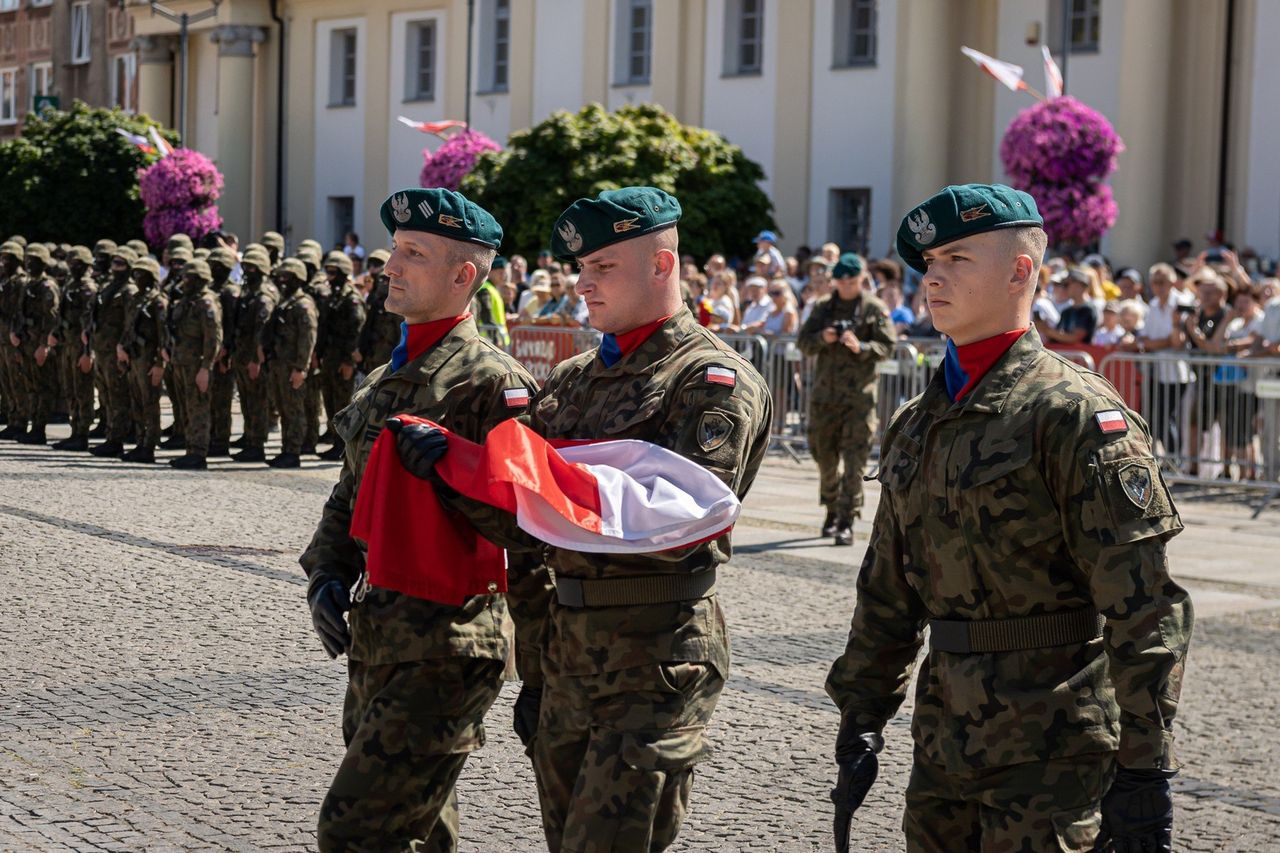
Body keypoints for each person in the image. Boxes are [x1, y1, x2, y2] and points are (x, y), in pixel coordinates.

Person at [393, 187, 772, 851]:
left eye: (603, 267)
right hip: (568, 652)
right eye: (580, 268)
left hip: (654, 652)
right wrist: (453, 470)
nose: (582, 284)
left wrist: (533, 483)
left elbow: (679, 522)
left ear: (661, 265)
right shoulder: (571, 379)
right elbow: (526, 521)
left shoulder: (709, 380)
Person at [826, 183, 1193, 853]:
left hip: (1053, 750)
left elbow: (1145, 607)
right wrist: (863, 710)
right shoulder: (917, 422)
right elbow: (886, 590)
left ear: (1021, 270)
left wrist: (1145, 766)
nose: (933, 277)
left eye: (958, 258)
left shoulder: (1075, 415)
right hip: (943, 745)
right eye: (930, 261)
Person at [300, 188, 539, 851]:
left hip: (450, 642)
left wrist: (543, 672)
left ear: (463, 275)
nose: (391, 266)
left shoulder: (494, 384)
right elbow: (350, 491)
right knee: (420, 830)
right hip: (380, 628)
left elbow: (529, 528)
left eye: (413, 253)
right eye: (394, 250)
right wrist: (327, 571)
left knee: (356, 831)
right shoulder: (386, 376)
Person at [796, 252, 894, 545]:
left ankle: (846, 520)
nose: (847, 286)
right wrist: (822, 338)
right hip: (824, 398)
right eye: (842, 282)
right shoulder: (823, 307)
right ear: (835, 281)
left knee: (855, 463)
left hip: (858, 400)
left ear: (861, 279)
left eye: (852, 281)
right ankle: (831, 506)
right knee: (824, 458)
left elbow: (887, 346)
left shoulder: (873, 308)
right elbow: (803, 342)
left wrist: (861, 346)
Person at [167, 259, 222, 470]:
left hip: (197, 364)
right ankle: (190, 449)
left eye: (189, 277)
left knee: (198, 408)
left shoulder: (206, 303)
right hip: (181, 362)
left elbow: (213, 338)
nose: (185, 281)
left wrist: (206, 368)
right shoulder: (186, 300)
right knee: (186, 408)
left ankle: (198, 453)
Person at [264, 259, 319, 469]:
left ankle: (293, 451)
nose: (283, 280)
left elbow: (307, 339)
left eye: (287, 277)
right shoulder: (285, 302)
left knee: (294, 410)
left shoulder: (303, 305)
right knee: (283, 408)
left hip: (293, 366)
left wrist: (300, 368)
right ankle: (286, 448)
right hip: (279, 364)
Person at [230, 249, 280, 463]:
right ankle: (249, 437)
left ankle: (256, 444)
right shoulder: (248, 293)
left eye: (251, 268)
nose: (247, 271)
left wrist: (256, 360)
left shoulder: (263, 297)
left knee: (257, 401)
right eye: (245, 267)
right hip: (242, 355)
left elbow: (262, 332)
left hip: (254, 358)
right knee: (247, 400)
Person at [118, 257, 168, 463]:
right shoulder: (135, 299)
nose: (138, 277)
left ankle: (149, 446)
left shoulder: (158, 301)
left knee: (150, 404)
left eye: (142, 274)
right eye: (136, 273)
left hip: (149, 359)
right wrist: (121, 347)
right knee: (137, 403)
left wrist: (159, 364)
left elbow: (163, 336)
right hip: (134, 357)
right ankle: (140, 442)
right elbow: (128, 326)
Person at [317, 251, 367, 461]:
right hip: (330, 358)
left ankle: (343, 446)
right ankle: (336, 442)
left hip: (343, 360)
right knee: (330, 401)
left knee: (342, 403)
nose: (329, 276)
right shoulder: (334, 296)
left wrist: (348, 361)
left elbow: (356, 331)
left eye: (333, 272)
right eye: (328, 272)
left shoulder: (351, 298)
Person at [49, 246, 97, 451]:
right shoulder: (70, 286)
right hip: (67, 345)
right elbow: (61, 314)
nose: (73, 267)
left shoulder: (89, 289)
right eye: (71, 263)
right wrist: (55, 333)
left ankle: (82, 433)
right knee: (70, 390)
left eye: (78, 264)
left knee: (83, 390)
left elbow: (91, 323)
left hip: (80, 347)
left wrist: (88, 352)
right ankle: (75, 430)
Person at [206, 247, 241, 457]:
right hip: (211, 351)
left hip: (224, 352)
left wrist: (226, 351)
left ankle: (221, 440)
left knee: (222, 399)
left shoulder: (231, 292)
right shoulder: (211, 289)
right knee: (211, 398)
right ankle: (211, 436)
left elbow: (232, 324)